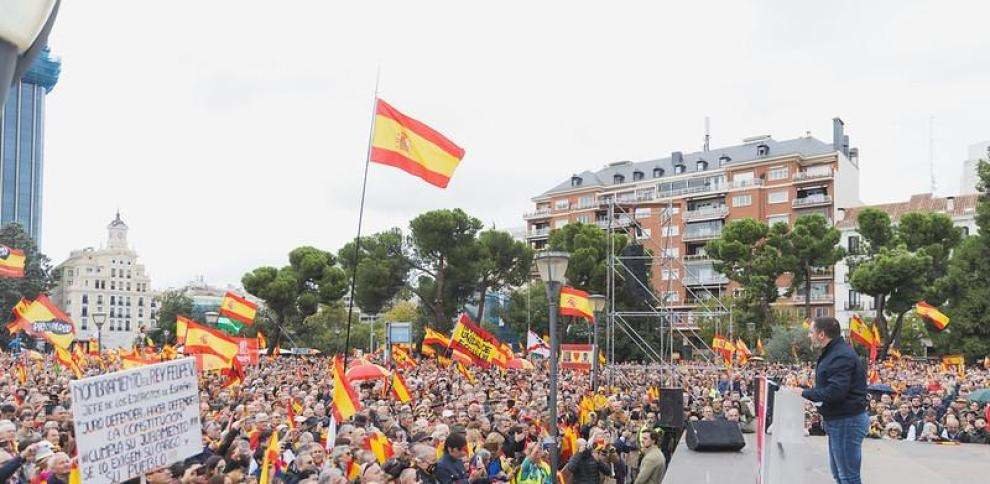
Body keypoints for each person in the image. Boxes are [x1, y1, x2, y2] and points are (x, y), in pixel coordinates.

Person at [796, 317, 868, 484]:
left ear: (821, 334)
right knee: (840, 475)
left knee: (848, 477)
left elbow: (836, 392)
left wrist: (804, 393)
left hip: (846, 420)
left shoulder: (840, 355)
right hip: (840, 420)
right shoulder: (834, 352)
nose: (809, 336)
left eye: (811, 332)